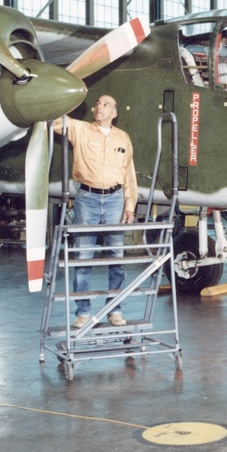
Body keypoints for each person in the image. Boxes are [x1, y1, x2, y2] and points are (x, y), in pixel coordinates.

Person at [54, 94, 137, 329]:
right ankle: (83, 312)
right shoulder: (79, 129)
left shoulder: (123, 138)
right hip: (86, 199)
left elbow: (129, 173)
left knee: (117, 258)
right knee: (83, 257)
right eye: (98, 103)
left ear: (115, 113)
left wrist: (129, 204)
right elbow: (52, 120)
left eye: (106, 104)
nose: (100, 106)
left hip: (115, 200)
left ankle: (115, 309)